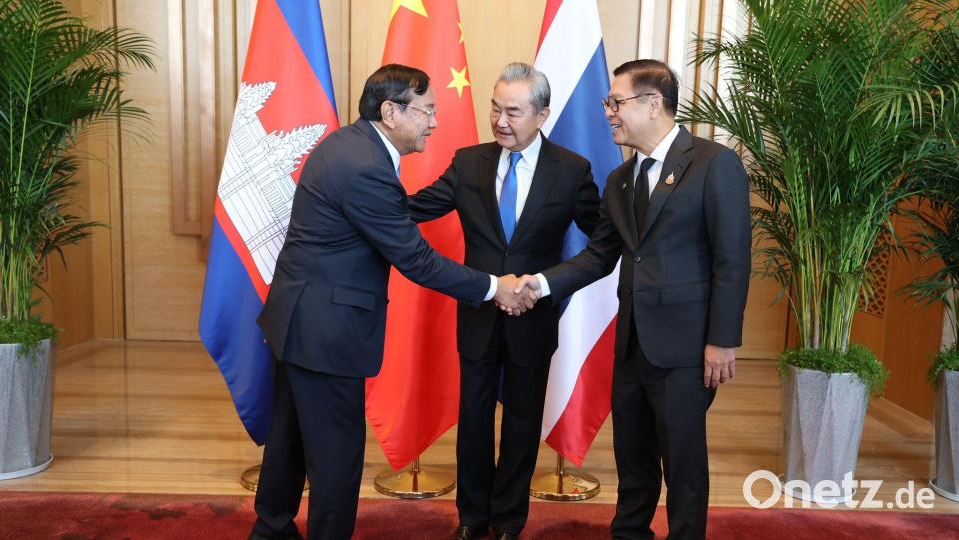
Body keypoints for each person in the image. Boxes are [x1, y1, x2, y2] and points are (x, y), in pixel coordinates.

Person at [251, 64, 531, 540]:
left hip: (299, 318)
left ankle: (271, 529)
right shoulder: (364, 166)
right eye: (427, 111)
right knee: (336, 456)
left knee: (291, 439)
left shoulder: (350, 145)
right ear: (390, 111)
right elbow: (417, 260)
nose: (434, 122)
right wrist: (493, 287)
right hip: (325, 330)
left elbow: (393, 228)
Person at [514, 59, 751, 539]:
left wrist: (723, 340)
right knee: (633, 458)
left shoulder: (712, 164)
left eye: (616, 102)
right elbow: (599, 257)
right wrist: (539, 284)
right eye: (608, 103)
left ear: (653, 103)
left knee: (682, 462)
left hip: (686, 348)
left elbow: (732, 259)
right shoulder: (621, 181)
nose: (608, 113)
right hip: (632, 345)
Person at [407, 62, 600, 540]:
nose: (500, 121)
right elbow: (414, 208)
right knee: (472, 422)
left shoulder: (572, 171)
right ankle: (472, 519)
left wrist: (544, 283)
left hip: (533, 319)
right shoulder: (468, 161)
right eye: (495, 108)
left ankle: (510, 521)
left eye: (512, 112)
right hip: (478, 316)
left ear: (542, 115)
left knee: (521, 423)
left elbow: (603, 241)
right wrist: (356, 193)